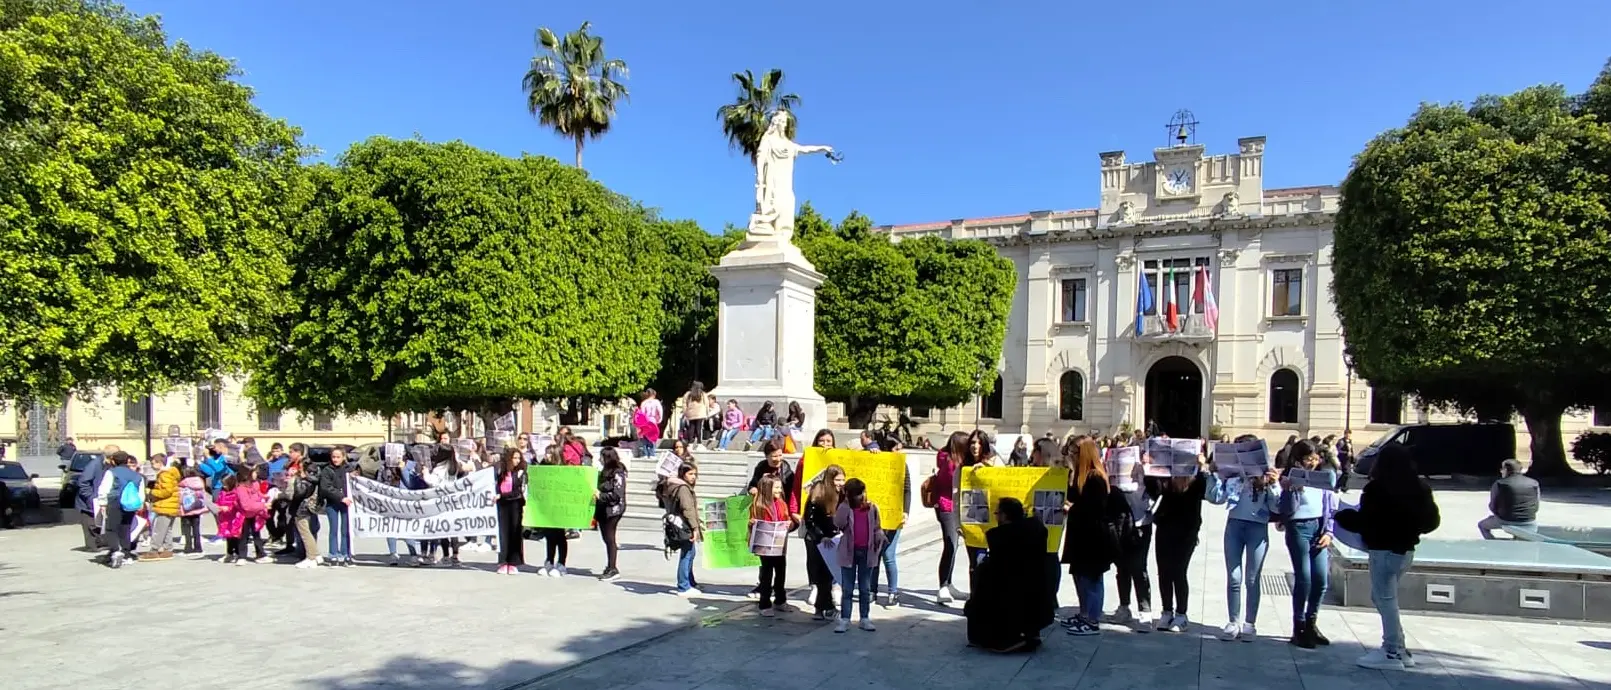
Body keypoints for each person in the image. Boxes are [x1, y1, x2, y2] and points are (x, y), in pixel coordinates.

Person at [1335, 443, 1440, 671]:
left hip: (1384, 549)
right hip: (1406, 550)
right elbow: (1432, 521)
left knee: (1385, 599)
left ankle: (1391, 650)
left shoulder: (1377, 489)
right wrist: (1411, 528)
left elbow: (1365, 521)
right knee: (1383, 596)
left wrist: (1342, 516)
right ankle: (1400, 648)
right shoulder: (1420, 487)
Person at [1206, 455, 1283, 642]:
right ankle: (1233, 621)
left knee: (1252, 578)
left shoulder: (1264, 477)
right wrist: (1214, 473)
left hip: (1257, 527)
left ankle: (1250, 623)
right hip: (1234, 525)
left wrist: (1274, 485)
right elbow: (1214, 497)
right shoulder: (1233, 476)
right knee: (1233, 576)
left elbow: (1278, 507)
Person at [966, 497, 1051, 653]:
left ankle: (1001, 638)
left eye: (997, 513)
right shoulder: (1036, 529)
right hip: (1036, 588)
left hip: (1012, 588)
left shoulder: (1001, 536)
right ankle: (1031, 632)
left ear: (1004, 516)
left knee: (981, 583)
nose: (996, 517)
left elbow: (998, 567)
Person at [1277, 440, 1337, 649]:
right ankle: (1299, 626)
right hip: (1298, 528)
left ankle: (1312, 622)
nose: (1312, 463)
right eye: (1307, 459)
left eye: (1314, 459)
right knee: (1304, 578)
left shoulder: (1323, 477)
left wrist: (1329, 532)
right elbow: (1285, 510)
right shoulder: (1290, 478)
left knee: (1321, 579)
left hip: (1318, 528)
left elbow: (1331, 506)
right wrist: (1292, 489)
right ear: (1298, 459)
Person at [1060, 438, 1117, 636]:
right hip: (1080, 534)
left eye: (1075, 454)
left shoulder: (1095, 477)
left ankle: (1092, 619)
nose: (1072, 457)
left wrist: (1072, 508)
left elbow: (1094, 508)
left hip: (1093, 535)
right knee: (1079, 575)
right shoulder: (1080, 476)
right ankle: (1084, 613)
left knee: (1091, 578)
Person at [1151, 451, 1208, 633]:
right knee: (1164, 571)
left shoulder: (1197, 480)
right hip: (1165, 526)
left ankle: (1182, 614)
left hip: (1187, 530)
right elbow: (1155, 491)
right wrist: (1150, 467)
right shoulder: (1167, 477)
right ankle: (1166, 611)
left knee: (1179, 571)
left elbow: (1206, 491)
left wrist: (1202, 467)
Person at [833, 478, 887, 633]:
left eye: (862, 492)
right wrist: (844, 504)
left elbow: (877, 527)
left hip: (867, 552)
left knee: (865, 588)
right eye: (857, 493)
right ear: (849, 494)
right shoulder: (845, 507)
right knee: (848, 588)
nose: (861, 496)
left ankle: (865, 617)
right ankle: (845, 619)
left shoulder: (871, 508)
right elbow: (839, 523)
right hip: (849, 551)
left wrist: (880, 538)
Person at [1112, 443, 1156, 631]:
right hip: (1121, 523)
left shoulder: (1148, 472)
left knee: (1139, 567)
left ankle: (1145, 610)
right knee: (1121, 567)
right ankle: (1124, 606)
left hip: (1141, 523)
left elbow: (1157, 491)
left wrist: (1147, 470)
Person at [871, 436, 911, 607]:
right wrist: (871, 455)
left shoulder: (903, 466)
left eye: (901, 449)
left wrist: (905, 511)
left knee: (889, 555)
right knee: (874, 556)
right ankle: (871, 591)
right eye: (896, 449)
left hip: (893, 516)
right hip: (875, 518)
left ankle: (893, 592)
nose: (900, 452)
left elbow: (907, 490)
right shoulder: (876, 461)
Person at [803, 464, 846, 620]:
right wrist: (821, 537)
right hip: (818, 540)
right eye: (838, 480)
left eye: (843, 479)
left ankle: (822, 608)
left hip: (833, 539)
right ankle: (824, 608)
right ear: (830, 479)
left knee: (829, 574)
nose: (841, 483)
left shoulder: (841, 495)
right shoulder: (819, 492)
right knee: (822, 575)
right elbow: (809, 520)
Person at [751, 475, 796, 616]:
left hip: (779, 545)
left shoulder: (782, 503)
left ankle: (780, 600)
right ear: (767, 489)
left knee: (781, 572)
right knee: (766, 574)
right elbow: (751, 522)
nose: (779, 490)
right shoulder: (758, 505)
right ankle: (764, 603)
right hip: (765, 547)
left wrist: (790, 524)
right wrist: (751, 523)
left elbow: (787, 519)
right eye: (776, 487)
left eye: (779, 487)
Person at [931, 430, 967, 605]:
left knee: (954, 545)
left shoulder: (945, 458)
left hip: (950, 506)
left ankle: (949, 583)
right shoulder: (951, 462)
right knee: (951, 545)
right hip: (947, 507)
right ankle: (943, 586)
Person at [94, 452, 144, 568]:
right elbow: (140, 492)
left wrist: (102, 503)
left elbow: (104, 488)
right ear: (127, 461)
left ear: (113, 461)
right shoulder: (136, 475)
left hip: (115, 502)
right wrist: (139, 503)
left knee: (111, 528)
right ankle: (126, 553)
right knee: (125, 528)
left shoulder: (111, 472)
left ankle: (115, 550)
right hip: (131, 504)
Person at [659, 462, 702, 595]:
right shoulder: (682, 488)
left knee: (690, 553)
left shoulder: (673, 485)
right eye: (690, 474)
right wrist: (695, 527)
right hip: (685, 525)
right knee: (687, 554)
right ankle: (684, 585)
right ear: (683, 474)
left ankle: (690, 581)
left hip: (679, 524)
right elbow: (687, 509)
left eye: (695, 474)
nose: (693, 477)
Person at [1478, 459, 1539, 539]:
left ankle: (1492, 543)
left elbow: (1492, 506)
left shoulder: (1499, 484)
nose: (1501, 471)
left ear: (1506, 470)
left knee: (1482, 525)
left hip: (1505, 520)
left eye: (1502, 469)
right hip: (1529, 521)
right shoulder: (1534, 483)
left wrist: (1499, 516)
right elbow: (1536, 505)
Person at [492, 446, 528, 575]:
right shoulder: (502, 471)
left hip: (515, 504)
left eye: (519, 458)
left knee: (515, 532)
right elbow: (495, 484)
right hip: (502, 505)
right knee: (503, 533)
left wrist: (502, 495)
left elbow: (519, 491)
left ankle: (513, 562)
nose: (517, 461)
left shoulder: (521, 472)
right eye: (514, 458)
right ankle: (503, 561)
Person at [594, 447, 627, 581]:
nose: (599, 459)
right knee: (606, 538)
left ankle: (613, 568)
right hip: (603, 509)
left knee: (610, 538)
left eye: (601, 457)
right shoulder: (603, 472)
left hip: (613, 510)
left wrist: (600, 495)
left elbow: (617, 494)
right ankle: (610, 566)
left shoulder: (618, 472)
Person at [319, 447, 354, 566]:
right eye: (333, 457)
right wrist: (340, 497)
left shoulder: (349, 469)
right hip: (332, 503)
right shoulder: (327, 470)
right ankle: (333, 554)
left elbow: (355, 484)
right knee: (333, 530)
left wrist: (355, 477)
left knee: (346, 530)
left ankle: (346, 554)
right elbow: (326, 487)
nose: (335, 459)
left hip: (347, 504)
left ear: (343, 457)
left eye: (338, 457)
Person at [141, 455, 181, 561]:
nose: (152, 466)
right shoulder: (170, 473)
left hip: (165, 505)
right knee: (167, 529)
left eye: (153, 463)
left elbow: (167, 491)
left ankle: (154, 550)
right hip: (170, 505)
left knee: (158, 529)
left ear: (159, 463)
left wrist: (152, 492)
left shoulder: (165, 475)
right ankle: (168, 549)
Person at [287, 457, 322, 569]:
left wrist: (296, 479)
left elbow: (299, 493)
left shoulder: (304, 479)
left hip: (301, 508)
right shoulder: (314, 477)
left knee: (305, 534)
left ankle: (311, 557)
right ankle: (316, 554)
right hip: (310, 507)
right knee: (308, 533)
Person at [178, 468, 208, 557]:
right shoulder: (200, 482)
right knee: (196, 529)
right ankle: (198, 547)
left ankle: (188, 547)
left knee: (186, 529)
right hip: (197, 508)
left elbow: (180, 498)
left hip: (186, 509)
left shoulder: (183, 484)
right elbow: (203, 495)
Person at [634, 389, 664, 459]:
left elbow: (642, 413)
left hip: (645, 421)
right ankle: (652, 453)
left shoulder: (644, 403)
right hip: (653, 421)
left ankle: (645, 453)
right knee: (652, 437)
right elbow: (660, 411)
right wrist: (659, 419)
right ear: (654, 395)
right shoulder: (656, 402)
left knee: (645, 438)